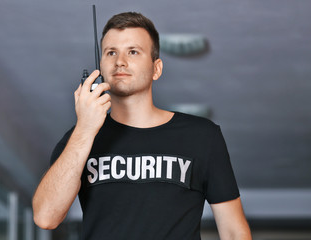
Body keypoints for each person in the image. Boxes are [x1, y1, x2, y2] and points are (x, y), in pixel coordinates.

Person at [32, 11, 252, 240]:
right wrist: (85, 129)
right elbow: (46, 217)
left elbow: (234, 232)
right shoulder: (79, 138)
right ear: (101, 66)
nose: (120, 61)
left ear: (156, 69)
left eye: (133, 52)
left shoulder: (202, 136)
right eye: (111, 52)